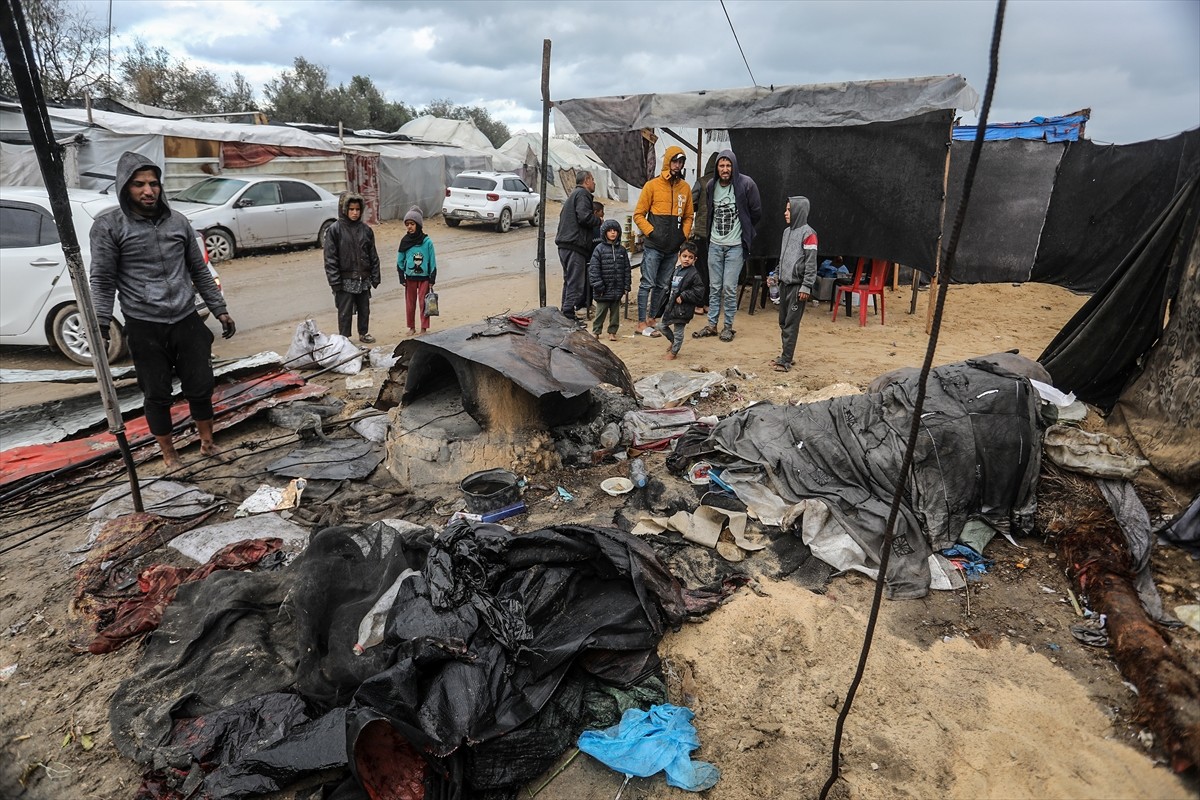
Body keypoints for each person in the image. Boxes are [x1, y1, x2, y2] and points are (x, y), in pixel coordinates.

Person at [89, 151, 236, 470]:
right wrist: (100, 324)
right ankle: (170, 456)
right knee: (157, 394)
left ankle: (208, 443)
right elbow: (102, 279)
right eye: (139, 184)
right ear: (124, 187)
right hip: (144, 325)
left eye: (153, 183)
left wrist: (219, 309)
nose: (148, 190)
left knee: (200, 386)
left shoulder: (178, 222)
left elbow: (199, 270)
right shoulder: (109, 227)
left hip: (186, 319)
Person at [693, 149, 762, 343]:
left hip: (735, 246)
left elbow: (756, 212)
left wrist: (744, 229)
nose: (725, 169)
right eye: (721, 165)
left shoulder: (746, 185)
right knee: (714, 287)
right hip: (715, 244)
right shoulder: (711, 185)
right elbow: (710, 211)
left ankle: (728, 327)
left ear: (734, 166)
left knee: (730, 287)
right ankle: (712, 325)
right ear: (717, 168)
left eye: (728, 165)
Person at [633, 146, 694, 335]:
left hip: (672, 248)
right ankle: (641, 321)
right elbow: (639, 215)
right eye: (675, 161)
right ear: (668, 162)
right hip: (653, 246)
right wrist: (651, 232)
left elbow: (689, 215)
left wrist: (682, 235)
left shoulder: (685, 188)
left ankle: (652, 318)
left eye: (681, 162)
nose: (678, 165)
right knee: (647, 283)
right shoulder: (652, 186)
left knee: (662, 285)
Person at [324, 192, 380, 344]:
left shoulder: (366, 230)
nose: (355, 213)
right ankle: (344, 338)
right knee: (345, 310)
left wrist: (375, 275)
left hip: (363, 278)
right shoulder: (335, 230)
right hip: (344, 279)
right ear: (344, 209)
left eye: (357, 209)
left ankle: (363, 332)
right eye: (351, 209)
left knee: (364, 308)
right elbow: (330, 259)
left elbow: (372, 254)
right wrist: (335, 281)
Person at [772, 196, 818, 373]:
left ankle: (786, 360)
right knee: (783, 321)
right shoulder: (786, 232)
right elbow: (783, 257)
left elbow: (811, 263)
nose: (785, 213)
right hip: (784, 284)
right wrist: (776, 274)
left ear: (798, 211)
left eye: (789, 210)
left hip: (797, 287)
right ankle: (786, 353)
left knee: (791, 323)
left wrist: (806, 286)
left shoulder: (809, 234)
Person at [553, 171, 602, 322]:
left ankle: (566, 313)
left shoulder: (574, 196)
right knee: (575, 283)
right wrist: (598, 221)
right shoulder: (582, 195)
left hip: (566, 245)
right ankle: (568, 316)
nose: (594, 183)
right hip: (574, 245)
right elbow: (584, 217)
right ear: (587, 180)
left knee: (569, 281)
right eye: (593, 180)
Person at [656, 241, 707, 360]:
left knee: (679, 331)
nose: (687, 259)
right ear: (679, 256)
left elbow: (699, 291)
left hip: (683, 309)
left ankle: (674, 352)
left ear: (695, 259)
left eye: (690, 257)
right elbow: (670, 285)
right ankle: (674, 342)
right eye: (684, 256)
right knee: (662, 326)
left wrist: (684, 296)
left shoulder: (694, 274)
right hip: (671, 306)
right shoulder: (677, 270)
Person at [587, 218, 632, 341]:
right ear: (604, 232)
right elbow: (594, 270)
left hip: (617, 289)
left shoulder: (622, 250)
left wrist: (626, 285)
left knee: (615, 313)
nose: (613, 233)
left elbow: (626, 269)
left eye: (615, 231)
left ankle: (612, 332)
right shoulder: (599, 249)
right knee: (601, 312)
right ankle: (596, 331)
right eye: (610, 231)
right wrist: (598, 286)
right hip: (603, 289)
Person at [396, 207, 437, 334]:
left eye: (412, 224)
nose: (409, 227)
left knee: (423, 304)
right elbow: (399, 261)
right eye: (407, 224)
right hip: (410, 278)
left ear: (418, 225)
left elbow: (432, 261)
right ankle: (411, 327)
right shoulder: (405, 241)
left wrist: (431, 279)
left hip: (424, 278)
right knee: (410, 304)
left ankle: (423, 328)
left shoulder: (427, 242)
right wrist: (402, 277)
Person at [690, 152, 719, 315]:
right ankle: (709, 303)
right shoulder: (725, 183)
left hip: (701, 233)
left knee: (700, 270)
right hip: (718, 235)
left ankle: (699, 305)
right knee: (713, 271)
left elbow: (691, 202)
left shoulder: (701, 182)